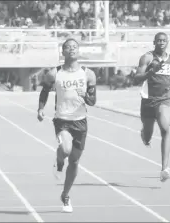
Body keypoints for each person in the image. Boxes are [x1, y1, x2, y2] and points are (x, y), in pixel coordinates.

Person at [37, 38, 97, 213]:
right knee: (66, 149)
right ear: (62, 52)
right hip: (62, 119)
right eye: (68, 47)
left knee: (75, 161)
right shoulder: (54, 73)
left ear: (78, 51)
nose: (71, 49)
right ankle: (58, 160)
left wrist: (85, 95)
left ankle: (65, 195)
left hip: (80, 121)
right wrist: (41, 109)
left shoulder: (88, 74)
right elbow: (44, 91)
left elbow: (93, 101)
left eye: (74, 47)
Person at [134, 32, 170, 182]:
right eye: (159, 40)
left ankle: (164, 168)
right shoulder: (147, 57)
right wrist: (151, 72)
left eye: (164, 40)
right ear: (154, 42)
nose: (161, 42)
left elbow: (169, 76)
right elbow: (136, 78)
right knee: (148, 134)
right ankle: (144, 134)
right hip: (148, 100)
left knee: (165, 128)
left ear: (167, 42)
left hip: (165, 99)